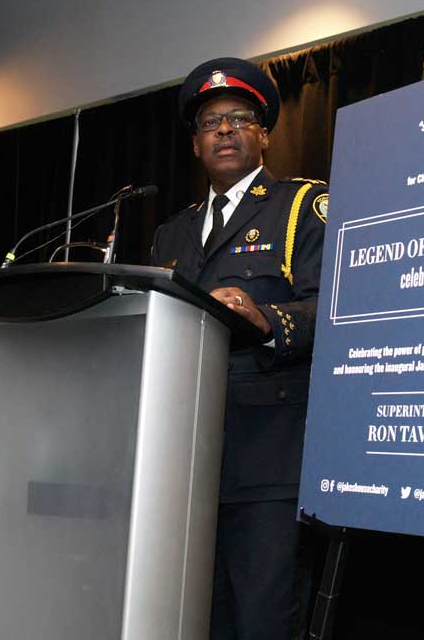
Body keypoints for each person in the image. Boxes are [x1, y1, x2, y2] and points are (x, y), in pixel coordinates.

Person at [150, 57, 327, 640]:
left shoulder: (301, 207)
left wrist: (267, 317)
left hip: (268, 454)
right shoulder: (170, 233)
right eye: (210, 123)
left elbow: (336, 309)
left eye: (239, 119)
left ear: (265, 134)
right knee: (200, 620)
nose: (224, 130)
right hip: (184, 460)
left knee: (262, 621)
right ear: (196, 146)